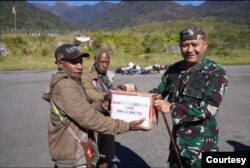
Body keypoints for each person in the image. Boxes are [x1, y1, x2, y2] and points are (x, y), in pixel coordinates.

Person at [42, 44, 147, 168]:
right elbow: (90, 118)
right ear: (60, 64)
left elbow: (83, 108)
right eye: (74, 63)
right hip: (72, 156)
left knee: (103, 158)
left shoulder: (73, 81)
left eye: (80, 61)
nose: (80, 66)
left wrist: (102, 106)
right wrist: (126, 125)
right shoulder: (66, 87)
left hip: (77, 150)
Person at [153, 28, 228, 168]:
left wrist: (171, 107)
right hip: (177, 145)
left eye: (194, 44)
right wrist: (132, 96)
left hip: (201, 148)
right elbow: (157, 93)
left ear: (204, 45)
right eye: (185, 45)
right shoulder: (173, 69)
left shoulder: (215, 72)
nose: (189, 49)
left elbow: (209, 108)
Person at [81, 47, 115, 168]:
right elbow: (90, 94)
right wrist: (108, 96)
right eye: (102, 62)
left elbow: (113, 93)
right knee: (91, 154)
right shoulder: (87, 75)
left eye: (107, 62)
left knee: (105, 154)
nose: (105, 65)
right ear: (95, 60)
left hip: (106, 115)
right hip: (91, 115)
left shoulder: (109, 76)